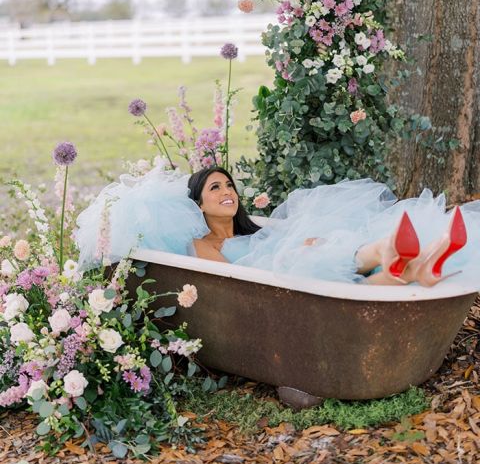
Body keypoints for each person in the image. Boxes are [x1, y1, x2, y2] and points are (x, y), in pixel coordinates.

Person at [76, 164, 476, 287]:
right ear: (197, 203)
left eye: (230, 185)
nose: (227, 191)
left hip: (295, 263)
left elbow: (286, 239)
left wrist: (302, 241)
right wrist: (290, 255)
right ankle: (400, 255)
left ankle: (415, 263)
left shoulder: (253, 232)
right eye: (215, 188)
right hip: (277, 276)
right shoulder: (202, 246)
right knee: (328, 266)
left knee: (331, 252)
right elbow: (234, 283)